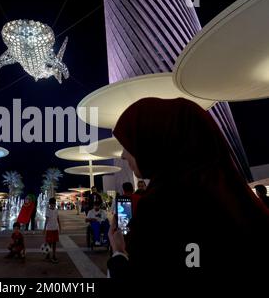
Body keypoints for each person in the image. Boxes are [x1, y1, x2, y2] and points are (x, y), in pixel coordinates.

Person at [107, 97, 269, 280]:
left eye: (129, 144)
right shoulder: (238, 202)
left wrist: (119, 254)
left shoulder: (160, 207)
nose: (122, 154)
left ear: (153, 141)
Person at [44, 197, 61, 264]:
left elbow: (58, 218)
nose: (52, 205)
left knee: (54, 243)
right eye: (51, 204)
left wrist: (60, 226)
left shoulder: (56, 210)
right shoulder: (48, 210)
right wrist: (44, 229)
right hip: (49, 229)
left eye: (53, 204)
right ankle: (48, 254)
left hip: (55, 228)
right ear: (49, 204)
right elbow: (46, 220)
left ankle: (53, 255)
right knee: (49, 243)